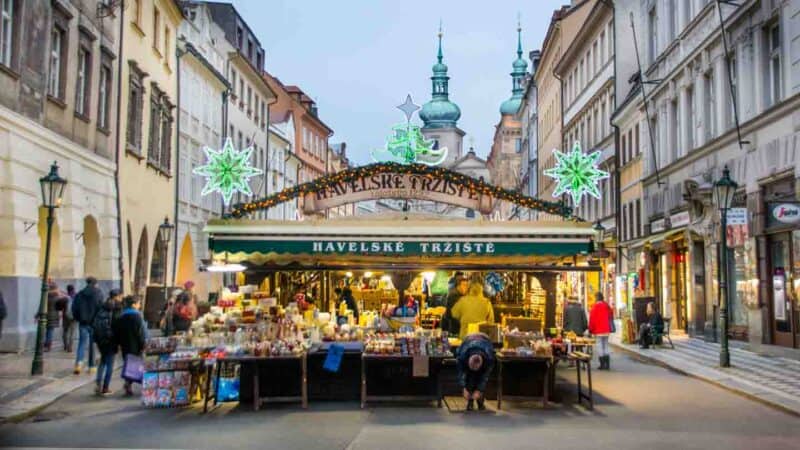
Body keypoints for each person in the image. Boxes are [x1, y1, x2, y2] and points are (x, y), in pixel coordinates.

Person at [113, 296, 147, 397]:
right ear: (133, 304)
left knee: (128, 364)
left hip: (124, 344)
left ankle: (128, 384)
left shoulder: (121, 316)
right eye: (138, 303)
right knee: (136, 365)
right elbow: (140, 333)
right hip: (135, 344)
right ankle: (131, 384)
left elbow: (117, 332)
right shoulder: (137, 316)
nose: (139, 305)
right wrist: (143, 344)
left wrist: (118, 343)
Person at [71, 277, 105, 374]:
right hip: (94, 323)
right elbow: (100, 308)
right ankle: (91, 366)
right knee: (92, 345)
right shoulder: (98, 293)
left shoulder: (80, 294)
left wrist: (79, 318)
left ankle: (78, 363)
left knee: (81, 343)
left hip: (83, 322)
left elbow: (74, 308)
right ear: (95, 283)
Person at [456, 333, 495, 411]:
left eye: (476, 367)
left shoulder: (489, 358)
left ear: (481, 363)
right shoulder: (462, 356)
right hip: (468, 339)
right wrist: (463, 387)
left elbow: (485, 377)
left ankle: (480, 400)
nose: (474, 369)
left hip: (485, 339)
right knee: (470, 375)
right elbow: (461, 372)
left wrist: (479, 390)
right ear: (468, 361)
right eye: (472, 367)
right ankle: (470, 401)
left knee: (480, 376)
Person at [92, 296, 117, 395]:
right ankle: (105, 387)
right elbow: (110, 332)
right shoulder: (110, 316)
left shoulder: (98, 314)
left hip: (100, 342)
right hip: (109, 342)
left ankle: (98, 383)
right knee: (110, 365)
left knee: (102, 362)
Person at [588, 292, 615, 370]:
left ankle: (602, 364)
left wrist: (590, 330)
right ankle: (607, 365)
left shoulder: (595, 307)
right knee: (606, 345)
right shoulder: (606, 305)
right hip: (606, 329)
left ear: (597, 298)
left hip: (598, 330)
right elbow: (611, 314)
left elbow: (592, 319)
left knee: (599, 346)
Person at [44, 281, 67, 352]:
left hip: (47, 315)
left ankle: (46, 343)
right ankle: (48, 345)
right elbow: (61, 306)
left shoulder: (46, 296)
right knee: (50, 330)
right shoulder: (57, 297)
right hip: (54, 316)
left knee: (48, 330)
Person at [58, 285, 77, 352]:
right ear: (73, 289)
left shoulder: (65, 298)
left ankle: (65, 345)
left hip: (65, 316)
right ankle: (70, 347)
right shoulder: (76, 297)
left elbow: (59, 306)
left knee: (65, 331)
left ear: (67, 290)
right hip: (74, 317)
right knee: (72, 333)